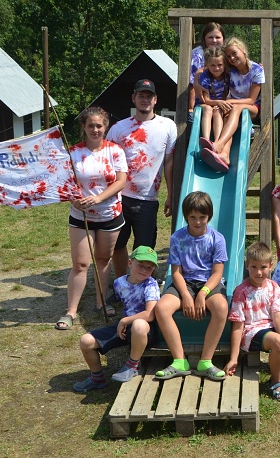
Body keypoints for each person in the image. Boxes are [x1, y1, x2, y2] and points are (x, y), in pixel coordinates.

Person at [57, 107, 128, 330]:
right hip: (81, 216)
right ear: (84, 127)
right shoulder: (73, 153)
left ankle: (101, 302)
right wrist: (74, 199)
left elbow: (121, 181)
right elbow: (64, 182)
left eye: (99, 125)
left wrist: (98, 199)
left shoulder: (115, 151)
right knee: (80, 264)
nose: (95, 129)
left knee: (103, 260)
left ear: (105, 127)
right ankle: (71, 311)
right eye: (91, 126)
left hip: (109, 214)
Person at [153, 192, 229, 381]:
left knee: (221, 307)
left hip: (208, 283)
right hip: (184, 282)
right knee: (161, 308)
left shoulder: (217, 238)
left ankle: (205, 361)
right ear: (186, 216)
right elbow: (176, 272)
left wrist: (202, 294)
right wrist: (186, 295)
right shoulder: (177, 238)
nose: (197, 221)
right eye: (192, 217)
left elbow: (217, 273)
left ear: (209, 216)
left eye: (202, 217)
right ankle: (179, 361)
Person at [107, 79, 176, 279]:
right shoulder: (119, 128)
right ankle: (121, 282)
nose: (145, 100)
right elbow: (107, 162)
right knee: (118, 244)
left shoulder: (167, 126)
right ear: (133, 98)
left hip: (148, 199)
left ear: (155, 100)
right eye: (141, 96)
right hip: (120, 197)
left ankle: (143, 285)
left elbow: (169, 163)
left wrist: (170, 195)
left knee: (145, 247)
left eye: (149, 96)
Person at [225, 242, 280, 403]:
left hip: (270, 328)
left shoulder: (274, 287)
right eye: (254, 267)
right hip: (251, 332)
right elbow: (237, 325)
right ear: (247, 265)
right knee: (278, 341)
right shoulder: (241, 291)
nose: (259, 272)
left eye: (263, 267)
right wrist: (234, 358)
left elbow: (278, 315)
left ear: (270, 266)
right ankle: (276, 382)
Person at [73, 246, 160, 392]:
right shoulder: (119, 282)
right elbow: (123, 301)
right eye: (141, 265)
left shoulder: (150, 284)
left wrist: (124, 321)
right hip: (126, 327)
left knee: (139, 324)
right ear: (130, 263)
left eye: (149, 268)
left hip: (146, 330)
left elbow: (150, 314)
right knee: (86, 341)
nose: (144, 270)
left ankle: (132, 366)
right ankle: (97, 377)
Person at [200, 37, 264, 172]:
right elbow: (209, 68)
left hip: (252, 108)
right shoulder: (230, 70)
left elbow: (251, 100)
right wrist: (196, 81)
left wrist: (230, 101)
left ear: (243, 50)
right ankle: (225, 155)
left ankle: (219, 144)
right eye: (228, 56)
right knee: (225, 114)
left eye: (234, 53)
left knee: (235, 108)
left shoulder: (257, 70)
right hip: (233, 107)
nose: (232, 58)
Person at [187, 22, 225, 125]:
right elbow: (192, 83)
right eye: (210, 37)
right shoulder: (198, 54)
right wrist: (190, 108)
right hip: (203, 100)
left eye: (217, 37)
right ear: (204, 39)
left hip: (220, 101)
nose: (214, 40)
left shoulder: (225, 53)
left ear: (223, 39)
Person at [193, 46, 228, 143]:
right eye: (212, 65)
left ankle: (217, 141)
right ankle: (206, 139)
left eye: (220, 65)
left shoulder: (227, 75)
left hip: (218, 104)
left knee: (217, 110)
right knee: (208, 109)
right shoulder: (205, 77)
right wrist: (218, 102)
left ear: (224, 64)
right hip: (203, 104)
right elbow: (206, 100)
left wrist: (219, 104)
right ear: (207, 65)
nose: (217, 68)